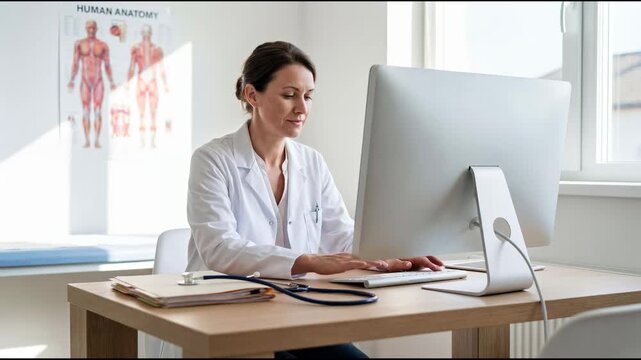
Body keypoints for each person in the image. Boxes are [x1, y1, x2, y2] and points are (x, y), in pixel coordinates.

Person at [186, 41, 444, 358]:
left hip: (296, 312)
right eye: (289, 95)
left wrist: (390, 255)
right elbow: (219, 248)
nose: (302, 108)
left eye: (307, 96)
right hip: (230, 314)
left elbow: (340, 233)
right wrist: (308, 261)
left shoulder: (312, 162)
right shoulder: (212, 159)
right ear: (252, 95)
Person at [68, 19, 116, 149]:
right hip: (85, 80)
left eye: (93, 28)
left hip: (98, 80)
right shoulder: (79, 44)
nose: (91, 30)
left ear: (96, 29)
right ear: (85, 28)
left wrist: (111, 81)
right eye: (89, 27)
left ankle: (97, 140)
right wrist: (72, 79)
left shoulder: (103, 45)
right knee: (85, 111)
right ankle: (87, 140)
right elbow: (75, 63)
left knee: (98, 111)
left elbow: (107, 65)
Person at [127, 24, 169, 148]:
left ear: (150, 34)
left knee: (153, 112)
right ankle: (142, 141)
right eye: (144, 33)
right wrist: (127, 83)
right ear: (141, 34)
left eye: (147, 33)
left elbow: (161, 68)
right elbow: (131, 67)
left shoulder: (157, 49)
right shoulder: (136, 49)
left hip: (152, 80)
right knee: (141, 113)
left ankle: (152, 141)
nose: (146, 36)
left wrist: (165, 84)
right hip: (141, 79)